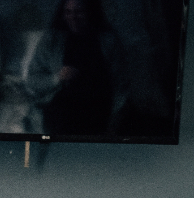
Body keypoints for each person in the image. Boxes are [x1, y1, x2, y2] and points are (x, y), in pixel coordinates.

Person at [24, 0, 128, 136]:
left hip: (98, 110)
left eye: (79, 12)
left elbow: (121, 85)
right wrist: (57, 78)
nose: (73, 17)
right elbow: (32, 80)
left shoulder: (109, 41)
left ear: (90, 13)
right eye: (68, 12)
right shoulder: (52, 40)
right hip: (62, 111)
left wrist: (114, 122)